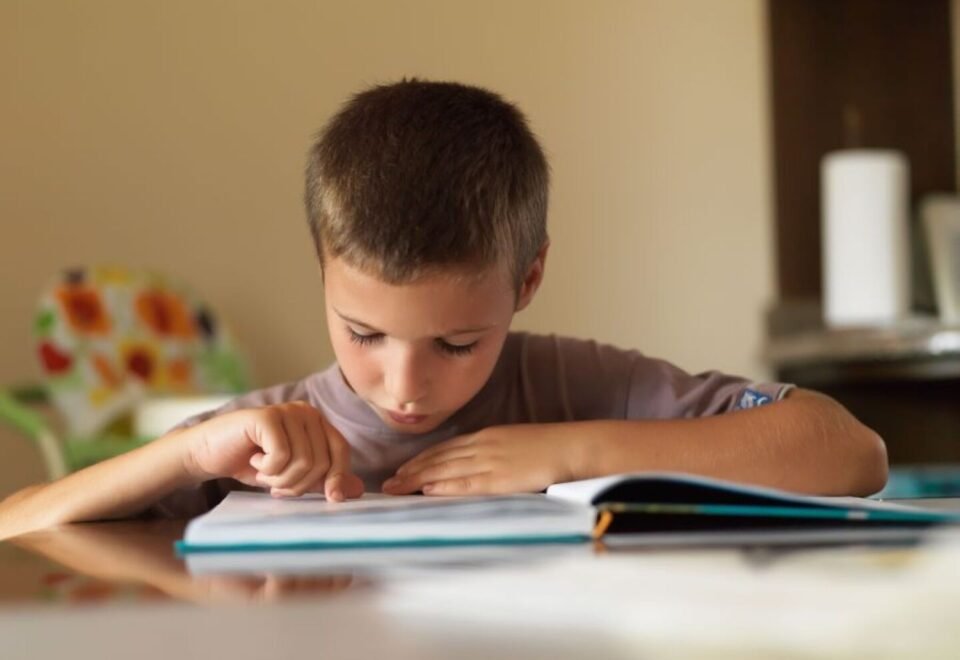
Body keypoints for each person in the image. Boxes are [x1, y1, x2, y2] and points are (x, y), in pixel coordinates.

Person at [0, 80, 887, 538]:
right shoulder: (273, 435)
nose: (405, 385)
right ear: (322, 272)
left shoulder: (570, 384)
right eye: (363, 334)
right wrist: (191, 449)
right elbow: (16, 524)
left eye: (459, 342)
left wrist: (569, 450)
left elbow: (850, 452)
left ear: (528, 281)